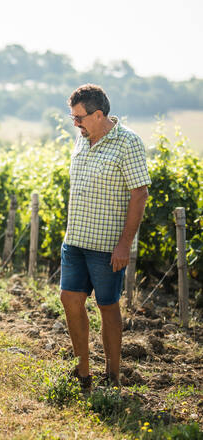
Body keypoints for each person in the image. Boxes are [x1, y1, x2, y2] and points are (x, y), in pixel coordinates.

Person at [60, 84, 150, 388]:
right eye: (73, 118)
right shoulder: (82, 138)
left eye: (79, 118)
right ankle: (82, 372)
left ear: (99, 114)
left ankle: (113, 377)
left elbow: (139, 194)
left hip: (107, 245)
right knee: (69, 299)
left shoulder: (128, 143)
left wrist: (124, 245)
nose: (76, 123)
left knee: (107, 306)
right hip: (75, 239)